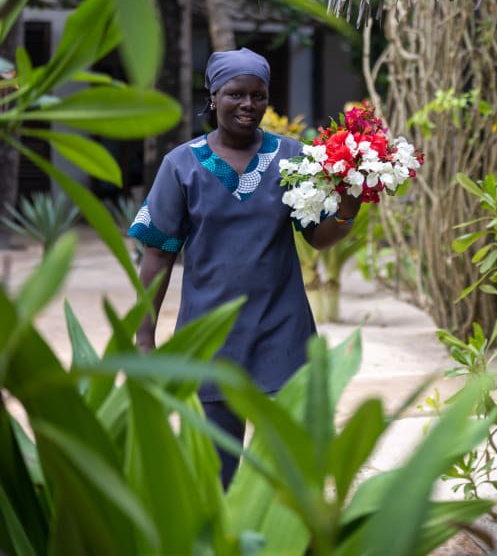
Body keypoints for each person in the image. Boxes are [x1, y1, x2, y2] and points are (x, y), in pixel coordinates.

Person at [128, 47, 359, 488]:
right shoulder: (182, 164)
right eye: (236, 94)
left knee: (292, 469)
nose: (248, 105)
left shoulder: (293, 156)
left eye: (258, 95)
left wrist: (348, 208)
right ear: (213, 96)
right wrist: (143, 335)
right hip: (212, 336)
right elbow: (157, 253)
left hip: (283, 330)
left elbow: (318, 236)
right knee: (218, 472)